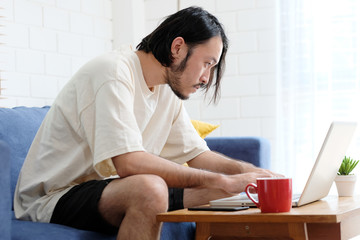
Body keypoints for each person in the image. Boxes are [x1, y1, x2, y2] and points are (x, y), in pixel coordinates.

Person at [14, 6, 281, 240]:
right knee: (150, 188)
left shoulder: (166, 90)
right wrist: (222, 180)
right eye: (207, 64)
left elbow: (199, 155)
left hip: (109, 190)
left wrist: (253, 175)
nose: (206, 78)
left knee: (229, 194)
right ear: (178, 48)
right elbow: (129, 163)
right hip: (55, 198)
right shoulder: (113, 73)